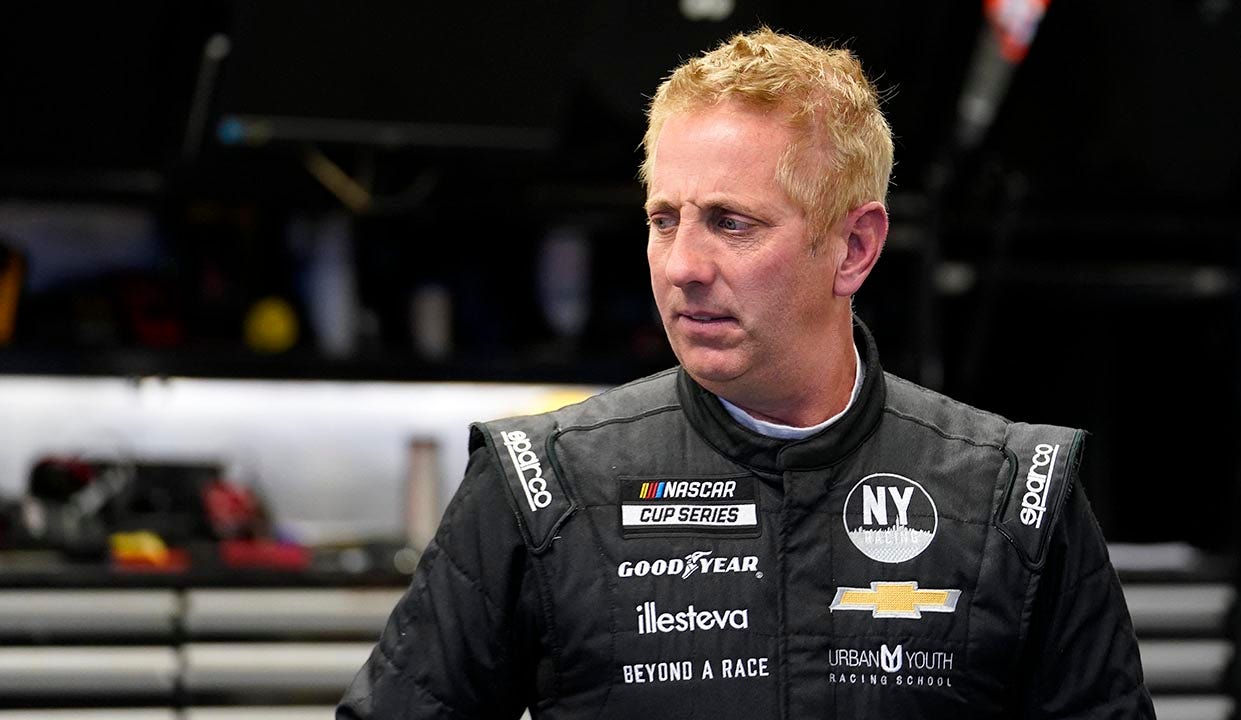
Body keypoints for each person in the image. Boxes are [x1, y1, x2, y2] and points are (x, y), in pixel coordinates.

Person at [339, 28, 1153, 719]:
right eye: (665, 219)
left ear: (855, 248)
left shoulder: (1017, 497)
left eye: (732, 223)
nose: (683, 266)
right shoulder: (541, 484)